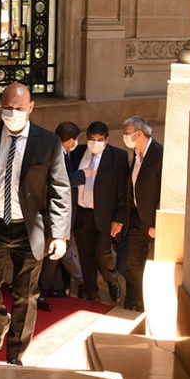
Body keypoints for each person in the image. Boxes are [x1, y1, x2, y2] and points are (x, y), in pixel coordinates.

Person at [0, 82, 71, 366]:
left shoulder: (48, 142)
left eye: (19, 108)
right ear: (0, 107)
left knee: (25, 295)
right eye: (7, 107)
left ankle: (15, 357)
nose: (12, 113)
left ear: (31, 107)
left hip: (30, 229)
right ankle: (0, 323)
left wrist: (60, 235)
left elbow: (60, 189)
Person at [69, 121, 128, 303]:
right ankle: (92, 295)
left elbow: (123, 192)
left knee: (102, 253)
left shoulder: (118, 157)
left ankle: (112, 281)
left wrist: (119, 219)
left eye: (99, 139)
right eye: (91, 139)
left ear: (107, 139)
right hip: (82, 214)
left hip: (105, 216)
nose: (95, 143)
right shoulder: (77, 153)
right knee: (85, 256)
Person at [37, 121, 87, 308]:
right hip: (57, 216)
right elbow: (63, 181)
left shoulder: (57, 150)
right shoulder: (57, 154)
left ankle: (52, 288)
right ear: (71, 140)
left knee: (57, 255)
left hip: (57, 215)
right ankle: (42, 291)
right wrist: (83, 175)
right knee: (56, 255)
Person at [120, 116, 163, 312]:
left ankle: (147, 301)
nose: (125, 137)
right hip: (137, 217)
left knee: (154, 264)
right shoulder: (136, 154)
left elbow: (166, 191)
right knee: (130, 262)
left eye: (127, 133)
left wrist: (157, 223)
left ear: (138, 134)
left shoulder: (159, 154)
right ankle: (145, 295)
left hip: (153, 222)